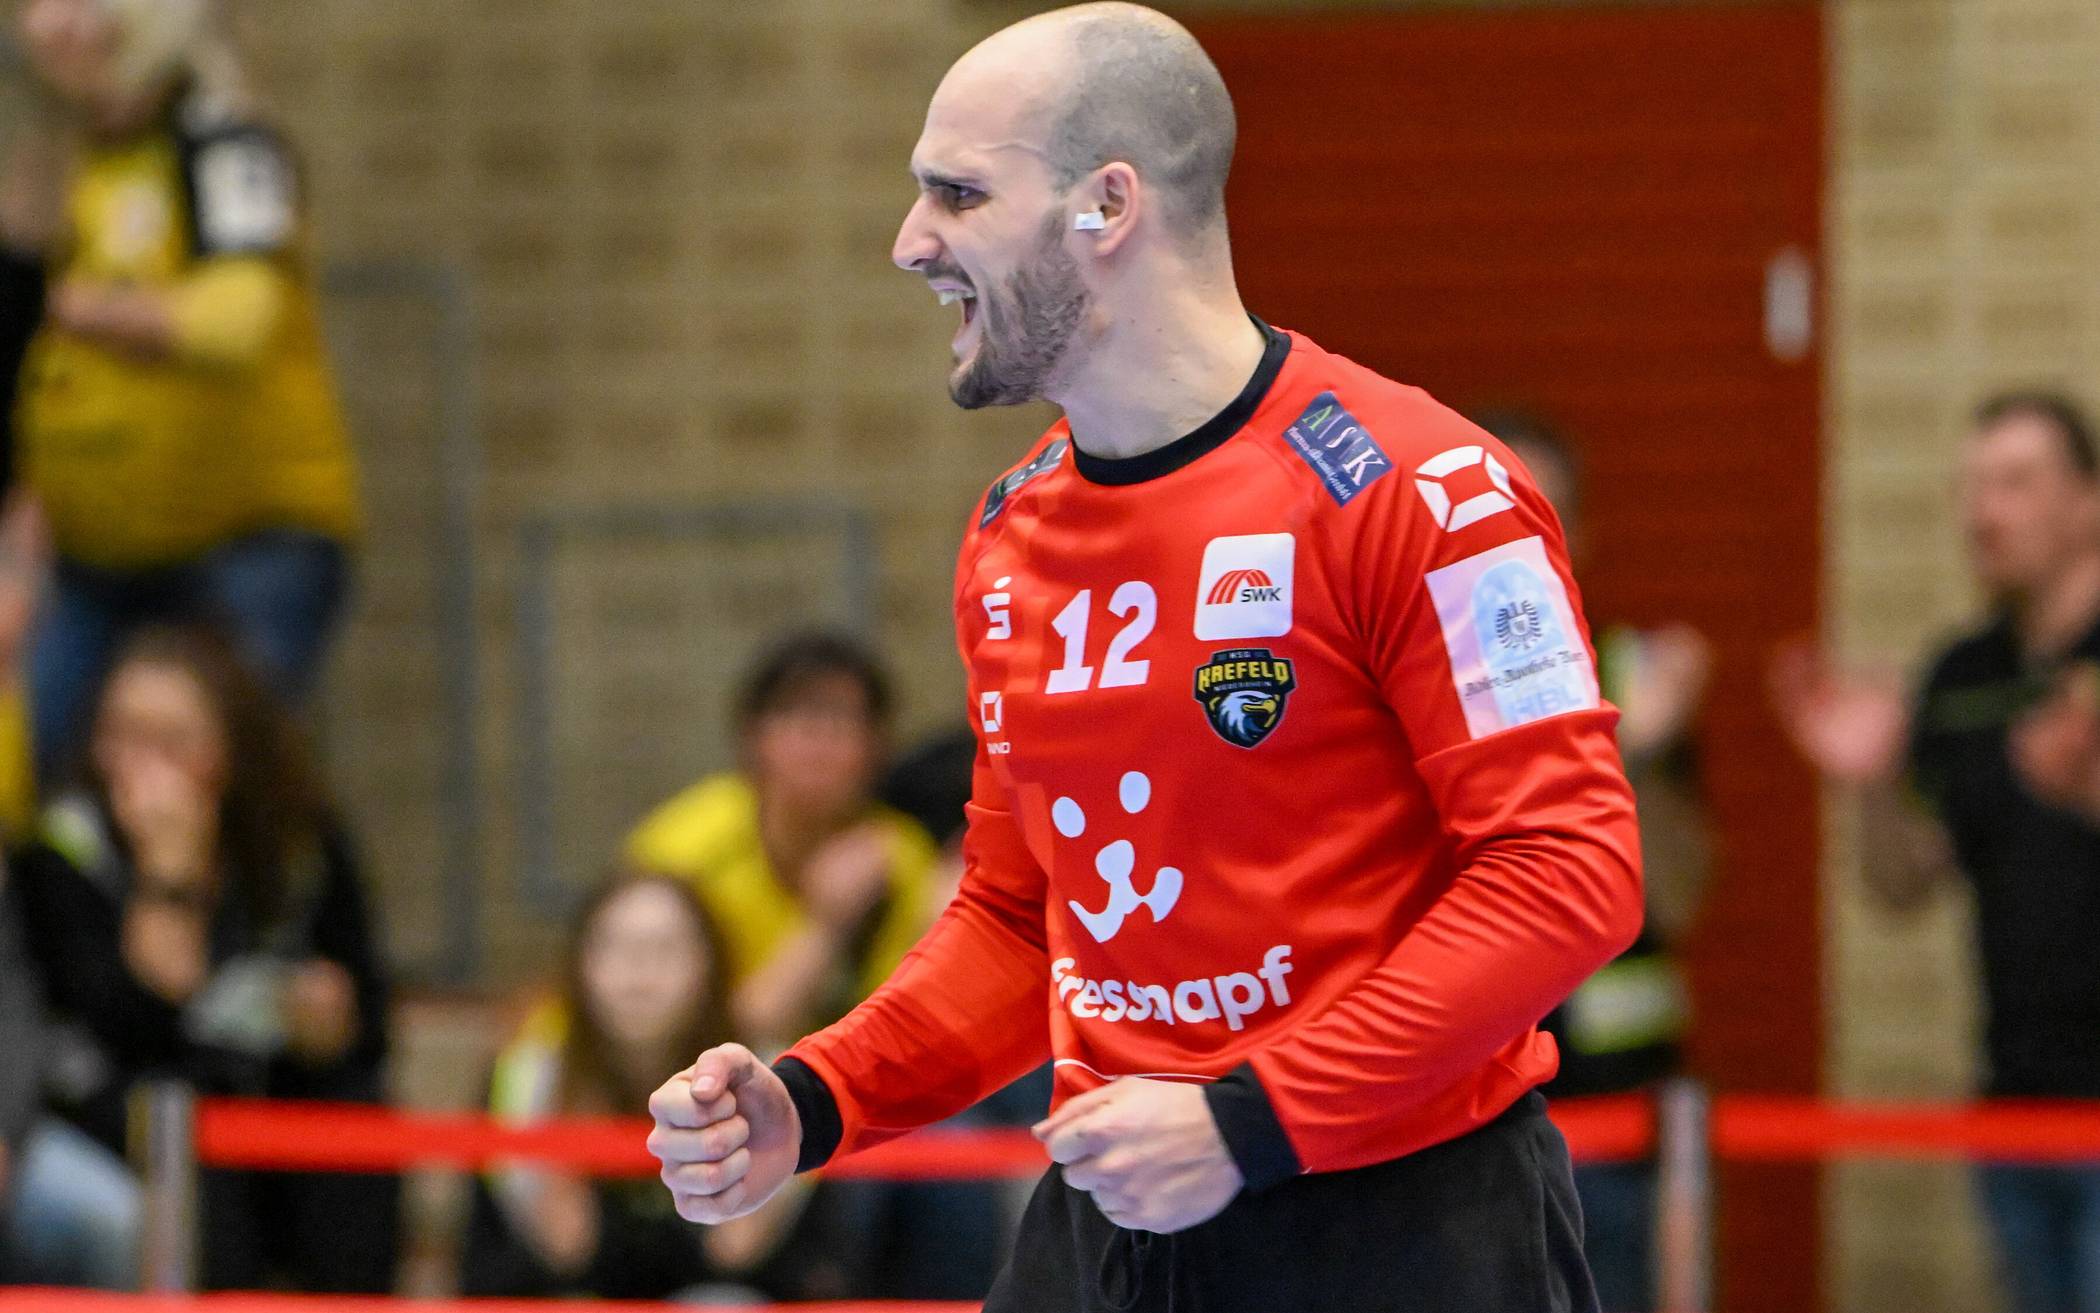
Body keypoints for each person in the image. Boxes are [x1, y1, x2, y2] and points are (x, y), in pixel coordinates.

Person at [646, 7, 1643, 1312]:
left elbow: (1568, 873)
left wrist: (1253, 1118)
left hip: (1398, 1220)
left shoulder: (1421, 486)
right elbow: (1025, 917)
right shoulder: (1012, 532)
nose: (910, 241)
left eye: (959, 193)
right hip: (1113, 1207)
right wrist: (818, 1096)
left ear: (1107, 205)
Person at [1773, 391, 2100, 1313]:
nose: (1984, 512)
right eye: (1973, 486)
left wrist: (2085, 790)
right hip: (2016, 1103)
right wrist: (1875, 781)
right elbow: (1902, 883)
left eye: (2016, 483)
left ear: (2088, 502)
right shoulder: (1962, 674)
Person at [4, 0, 361, 779]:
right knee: (45, 781)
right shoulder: (59, 156)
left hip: (247, 542)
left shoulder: (221, 141)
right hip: (90, 560)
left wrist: (62, 305)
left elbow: (240, 320)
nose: (45, 27)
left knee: (209, 770)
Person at [12, 623, 397, 1292]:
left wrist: (331, 1024)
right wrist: (169, 881)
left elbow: (368, 1017)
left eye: (171, 741)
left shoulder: (298, 846)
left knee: (354, 1121)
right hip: (122, 1105)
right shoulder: (62, 852)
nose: (140, 765)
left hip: (277, 1094)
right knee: (187, 1129)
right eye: (119, 735)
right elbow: (130, 1028)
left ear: (231, 748)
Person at [1482, 411, 1710, 1313]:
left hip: (1614, 1121)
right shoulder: (1411, 683)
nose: (1523, 543)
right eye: (1498, 516)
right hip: (1463, 1122)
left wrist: (1640, 753)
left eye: (1547, 514)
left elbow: (1682, 894)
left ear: (1580, 532)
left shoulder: (1633, 676)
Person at [461, 870, 842, 1301]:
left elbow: (736, 1248)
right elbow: (565, 1249)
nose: (640, 969)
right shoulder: (529, 1076)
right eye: (615, 946)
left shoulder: (768, 1078)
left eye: (666, 948)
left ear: (709, 965)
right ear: (579, 964)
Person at [624, 632, 942, 1054]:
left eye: (843, 720)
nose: (818, 742)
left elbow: (894, 1038)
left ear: (877, 747)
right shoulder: (683, 847)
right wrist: (825, 926)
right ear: (752, 736)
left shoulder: (900, 857)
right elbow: (665, 1033)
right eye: (795, 715)